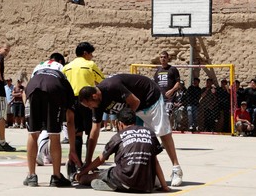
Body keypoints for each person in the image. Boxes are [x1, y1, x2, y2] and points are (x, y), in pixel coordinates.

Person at [79, 73, 183, 186]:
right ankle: (153, 174)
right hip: (136, 108)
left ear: (95, 96)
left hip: (150, 98)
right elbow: (94, 132)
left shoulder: (112, 86)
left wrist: (124, 121)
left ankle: (176, 169)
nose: (90, 108)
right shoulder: (97, 105)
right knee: (136, 141)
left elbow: (135, 101)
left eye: (89, 105)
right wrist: (88, 161)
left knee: (163, 133)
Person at [76, 107, 170, 192]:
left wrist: (82, 173)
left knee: (87, 178)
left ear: (119, 123)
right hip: (145, 185)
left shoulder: (118, 136)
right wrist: (164, 186)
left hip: (123, 180)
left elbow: (101, 159)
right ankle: (116, 183)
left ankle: (111, 184)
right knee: (153, 179)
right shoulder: (150, 133)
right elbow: (155, 162)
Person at [23, 53, 80, 187]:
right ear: (61, 61)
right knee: (54, 135)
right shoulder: (61, 68)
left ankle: (31, 176)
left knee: (33, 133)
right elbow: (70, 120)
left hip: (32, 89)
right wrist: (72, 148)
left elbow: (27, 91)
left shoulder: (39, 65)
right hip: (53, 88)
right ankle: (56, 176)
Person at [62, 42, 104, 173]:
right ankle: (88, 162)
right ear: (85, 53)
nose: (92, 56)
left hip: (71, 102)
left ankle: (74, 163)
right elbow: (102, 81)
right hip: (87, 100)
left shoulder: (66, 67)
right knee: (91, 132)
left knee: (76, 133)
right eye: (91, 53)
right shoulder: (90, 65)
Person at [0, 43, 16, 152]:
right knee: (1, 116)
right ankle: (2, 142)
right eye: (5, 49)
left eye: (8, 51)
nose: (6, 52)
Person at [153, 51, 180, 116]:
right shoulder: (158, 70)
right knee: (160, 116)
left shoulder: (173, 69)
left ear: (168, 59)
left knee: (168, 116)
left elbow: (178, 83)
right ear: (159, 59)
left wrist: (172, 90)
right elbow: (155, 84)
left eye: (165, 57)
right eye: (161, 57)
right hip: (160, 99)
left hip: (169, 99)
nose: (163, 59)